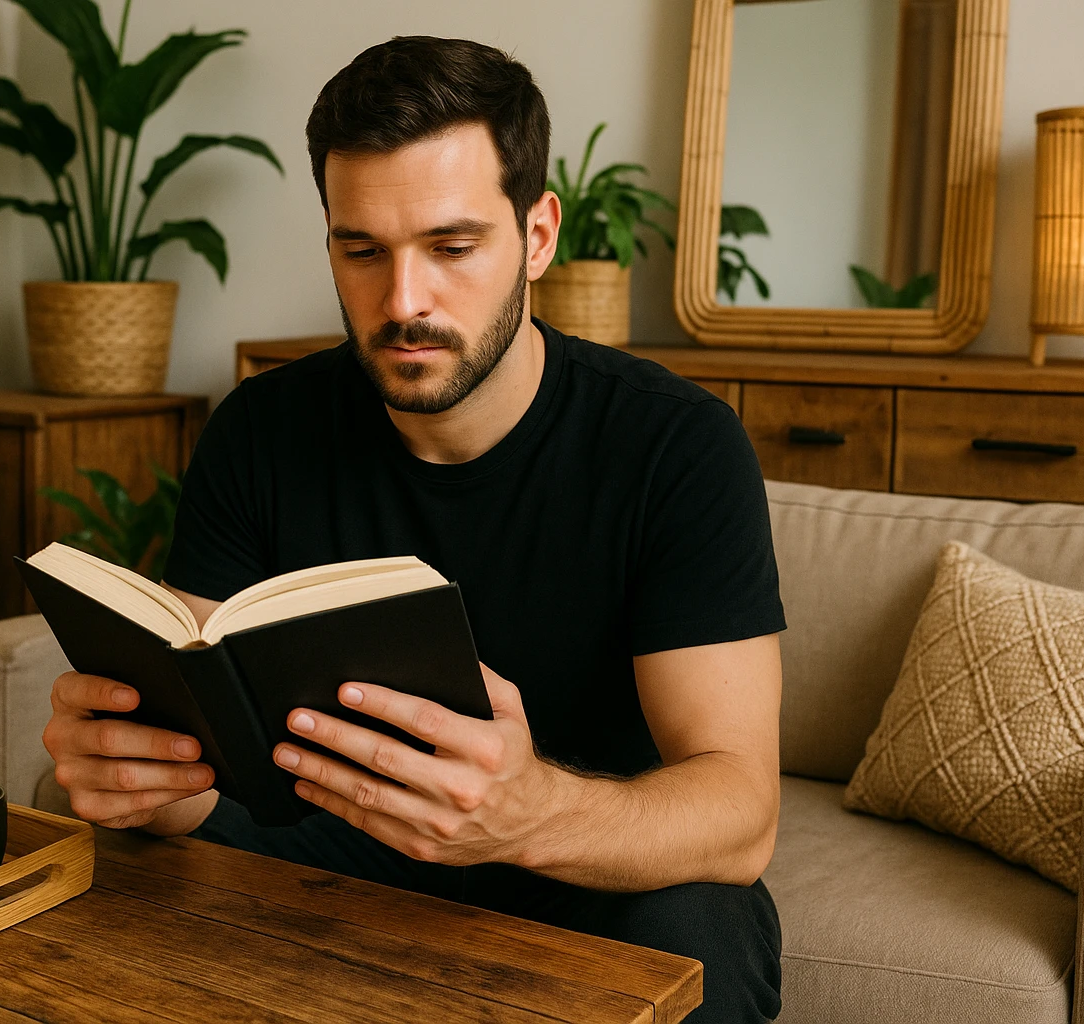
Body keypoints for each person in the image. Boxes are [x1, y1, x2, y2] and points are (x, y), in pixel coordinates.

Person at [43, 35, 785, 1023]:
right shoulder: (259, 430)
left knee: (700, 925)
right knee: (92, 859)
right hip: (333, 838)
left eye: (452, 247)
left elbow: (740, 811)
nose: (403, 303)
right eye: (362, 251)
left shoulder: (677, 446)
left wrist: (527, 812)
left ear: (538, 234)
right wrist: (141, 775)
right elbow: (207, 748)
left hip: (590, 860)